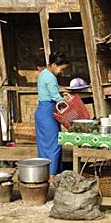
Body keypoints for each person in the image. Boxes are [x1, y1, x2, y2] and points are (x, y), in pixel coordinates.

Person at [34, 52, 70, 180]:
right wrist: (68, 102)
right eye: (60, 68)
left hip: (42, 111)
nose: (61, 72)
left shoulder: (43, 73)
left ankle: (45, 173)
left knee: (44, 145)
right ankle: (52, 176)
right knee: (54, 144)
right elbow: (55, 96)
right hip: (47, 113)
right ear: (54, 65)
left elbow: (50, 92)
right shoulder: (50, 77)